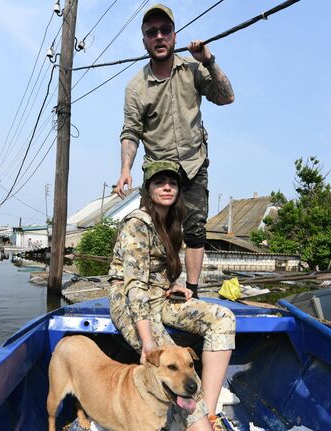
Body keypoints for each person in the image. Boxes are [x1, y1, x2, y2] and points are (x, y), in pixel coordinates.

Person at [116, 4, 235, 299]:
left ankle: (191, 291)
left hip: (193, 164)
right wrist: (125, 171)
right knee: (155, 231)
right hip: (159, 170)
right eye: (151, 32)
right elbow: (131, 131)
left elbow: (227, 97)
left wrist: (208, 60)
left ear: (174, 35)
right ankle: (152, 289)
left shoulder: (194, 69)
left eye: (164, 30)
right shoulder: (135, 87)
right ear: (144, 40)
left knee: (195, 230)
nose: (159, 37)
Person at [109, 161, 235, 431]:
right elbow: (134, 288)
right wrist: (147, 342)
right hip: (130, 301)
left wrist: (175, 284)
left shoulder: (172, 223)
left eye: (173, 183)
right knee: (170, 356)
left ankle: (207, 413)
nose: (167, 187)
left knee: (223, 317)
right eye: (159, 182)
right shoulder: (136, 224)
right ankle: (197, 422)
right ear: (148, 189)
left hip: (160, 295)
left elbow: (162, 268)